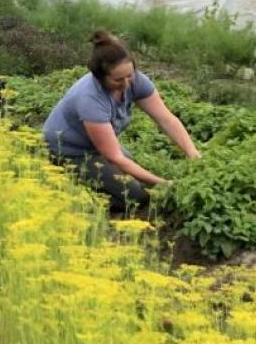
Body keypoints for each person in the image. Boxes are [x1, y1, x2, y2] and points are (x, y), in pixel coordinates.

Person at [42, 30, 199, 213]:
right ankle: (64, 184)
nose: (126, 84)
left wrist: (193, 155)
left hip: (95, 146)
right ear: (100, 77)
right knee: (134, 196)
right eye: (118, 80)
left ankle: (94, 180)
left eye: (129, 75)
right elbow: (114, 157)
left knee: (133, 168)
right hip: (68, 150)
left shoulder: (135, 80)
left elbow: (165, 118)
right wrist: (164, 184)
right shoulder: (90, 98)